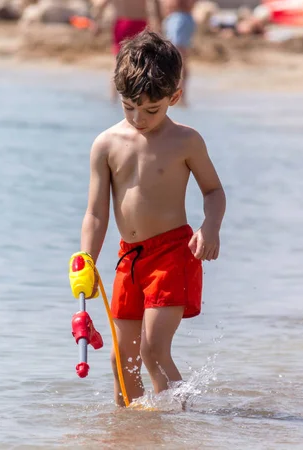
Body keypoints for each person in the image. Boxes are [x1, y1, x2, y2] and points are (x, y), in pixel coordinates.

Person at [73, 30, 226, 407]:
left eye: (151, 109)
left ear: (174, 97)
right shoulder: (106, 145)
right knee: (120, 360)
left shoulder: (186, 141)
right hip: (129, 259)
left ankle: (177, 428)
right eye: (128, 107)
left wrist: (211, 227)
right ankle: (131, 433)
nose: (139, 118)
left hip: (173, 253)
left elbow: (214, 191)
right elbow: (96, 212)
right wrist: (86, 260)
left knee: (153, 351)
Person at [90, 0, 164, 102]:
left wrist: (96, 23)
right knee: (142, 61)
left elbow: (100, 4)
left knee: (117, 62)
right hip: (141, 23)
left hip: (122, 23)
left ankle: (113, 98)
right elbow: (155, 3)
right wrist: (159, 24)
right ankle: (140, 98)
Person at [162, 0, 196, 106]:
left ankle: (179, 96)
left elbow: (173, 3)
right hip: (180, 18)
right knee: (179, 59)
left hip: (179, 19)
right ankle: (179, 96)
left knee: (178, 60)